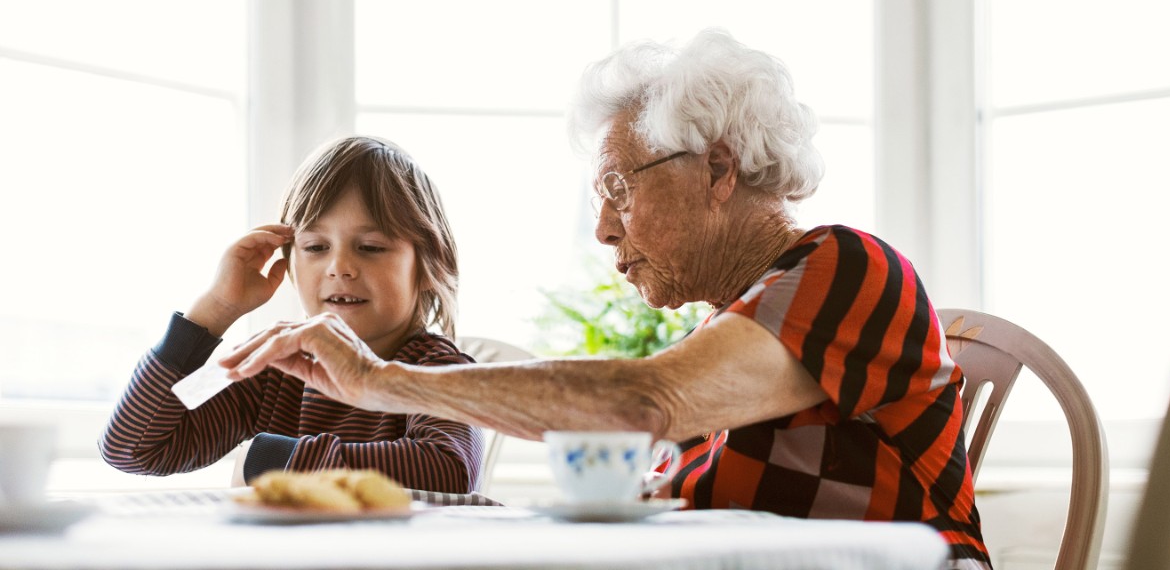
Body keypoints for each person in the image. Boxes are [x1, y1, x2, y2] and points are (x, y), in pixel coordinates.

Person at [221, 29, 991, 569]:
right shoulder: (732, 330)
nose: (601, 228)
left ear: (718, 168)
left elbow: (647, 401)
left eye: (619, 190)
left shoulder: (848, 268)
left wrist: (379, 381)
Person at [99, 135, 483, 493]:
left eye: (370, 247)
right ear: (289, 261)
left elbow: (448, 471)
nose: (339, 267)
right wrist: (216, 310)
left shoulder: (439, 372)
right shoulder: (275, 368)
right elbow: (133, 449)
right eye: (315, 247)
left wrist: (271, 458)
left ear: (433, 265)